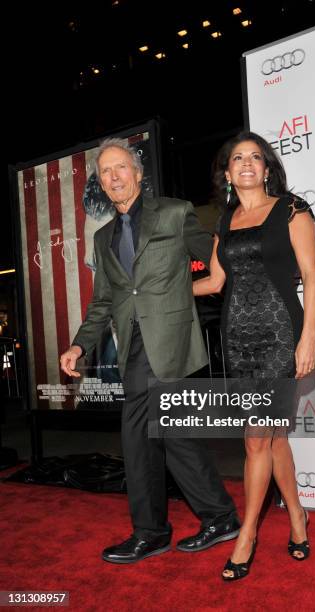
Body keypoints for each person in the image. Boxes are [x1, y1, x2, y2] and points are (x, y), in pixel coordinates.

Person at [60, 137, 239, 565]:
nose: (113, 176)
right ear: (101, 183)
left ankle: (152, 531)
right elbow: (104, 301)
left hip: (171, 341)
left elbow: (215, 255)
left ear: (139, 174)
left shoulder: (174, 213)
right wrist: (80, 344)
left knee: (138, 435)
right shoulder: (104, 238)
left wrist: (202, 286)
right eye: (105, 171)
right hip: (135, 346)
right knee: (172, 435)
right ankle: (218, 516)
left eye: (120, 167)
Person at [193, 131, 315, 580]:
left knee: (255, 440)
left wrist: (308, 339)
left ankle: (247, 534)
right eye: (237, 158)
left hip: (281, 334)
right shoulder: (225, 222)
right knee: (274, 439)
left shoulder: (291, 209)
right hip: (237, 340)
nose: (246, 163)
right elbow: (213, 282)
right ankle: (298, 518)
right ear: (227, 173)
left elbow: (312, 277)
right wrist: (155, 294)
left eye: (255, 157)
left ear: (267, 168)